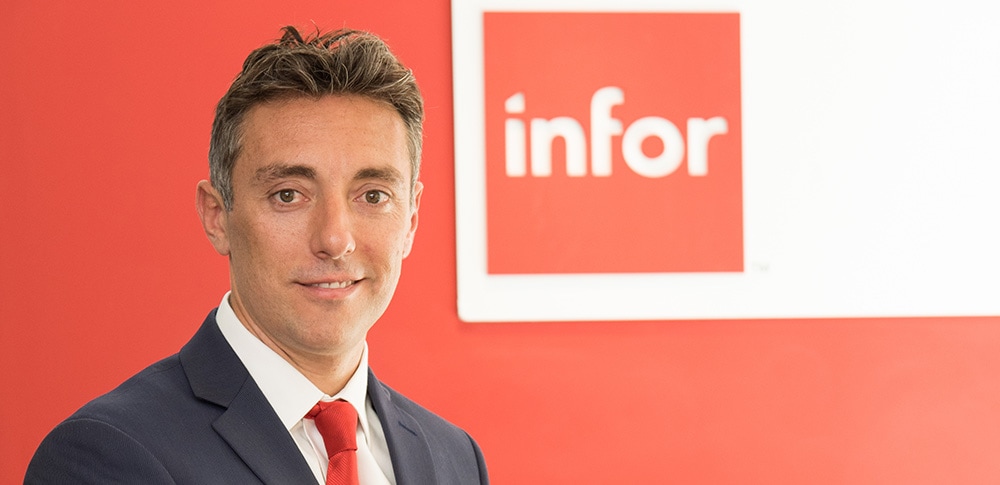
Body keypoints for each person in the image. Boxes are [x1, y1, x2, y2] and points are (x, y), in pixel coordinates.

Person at [25, 26, 488, 484]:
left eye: (372, 196)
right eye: (288, 195)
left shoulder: (456, 458)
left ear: (410, 219)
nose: (334, 239)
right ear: (217, 216)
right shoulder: (106, 454)